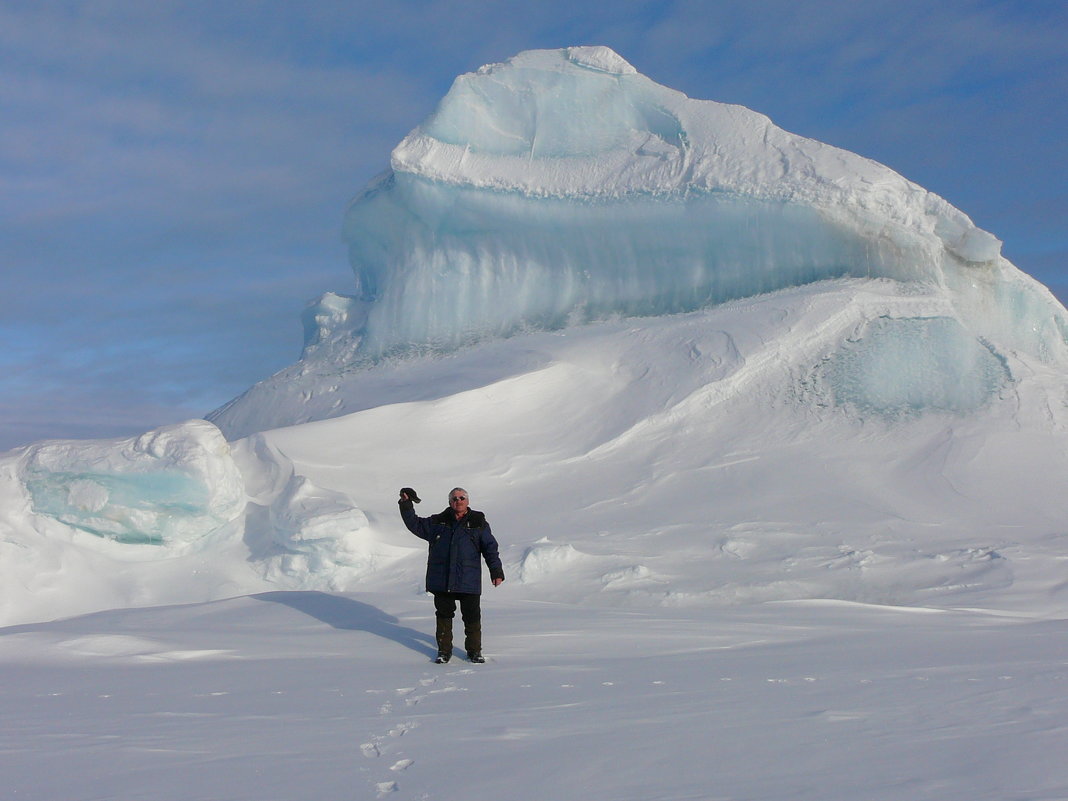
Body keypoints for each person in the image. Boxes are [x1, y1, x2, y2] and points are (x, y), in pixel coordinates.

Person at [398, 486, 504, 663]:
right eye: (454, 498)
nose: (458, 501)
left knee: (472, 616)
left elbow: (490, 549)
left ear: (468, 501)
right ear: (449, 502)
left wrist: (496, 571)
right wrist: (406, 504)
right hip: (442, 579)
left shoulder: (478, 523)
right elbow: (414, 524)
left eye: (462, 498)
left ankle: (474, 652)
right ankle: (444, 652)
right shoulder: (438, 522)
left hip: (468, 579)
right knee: (444, 616)